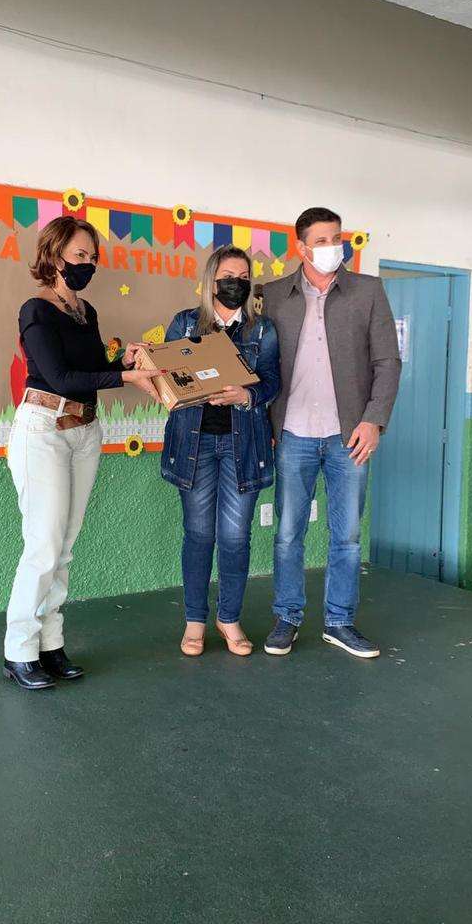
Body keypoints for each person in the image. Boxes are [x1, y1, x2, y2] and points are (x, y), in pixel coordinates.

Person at [4, 216, 158, 690]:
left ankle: (50, 645)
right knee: (43, 546)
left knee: (64, 548)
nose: (88, 263)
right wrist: (126, 377)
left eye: (92, 257)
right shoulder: (36, 310)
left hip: (85, 431)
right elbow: (59, 377)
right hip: (43, 430)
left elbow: (92, 369)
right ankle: (19, 650)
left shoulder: (85, 311)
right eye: (79, 255)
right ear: (53, 255)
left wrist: (123, 361)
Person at [263, 207, 401, 659]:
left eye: (336, 238)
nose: (331, 248)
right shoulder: (275, 295)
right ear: (301, 247)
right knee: (288, 534)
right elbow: (259, 363)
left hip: (350, 436)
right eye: (321, 241)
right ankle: (287, 617)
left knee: (347, 537)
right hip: (293, 434)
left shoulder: (368, 291)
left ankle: (339, 622)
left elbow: (387, 362)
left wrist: (374, 419)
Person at [162, 245, 280, 657]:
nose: (236, 283)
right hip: (194, 444)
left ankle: (229, 618)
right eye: (228, 277)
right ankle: (195, 620)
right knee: (198, 534)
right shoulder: (185, 323)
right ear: (211, 280)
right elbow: (167, 376)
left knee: (235, 537)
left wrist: (246, 396)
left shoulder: (262, 330)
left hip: (242, 445)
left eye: (244, 277)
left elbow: (272, 381)